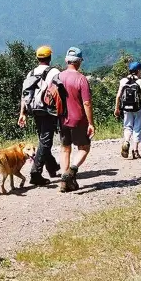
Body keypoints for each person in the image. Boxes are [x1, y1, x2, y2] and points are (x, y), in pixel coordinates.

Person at [18, 45, 62, 185]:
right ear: (50, 57)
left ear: (37, 58)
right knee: (46, 141)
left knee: (43, 140)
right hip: (48, 110)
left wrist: (22, 113)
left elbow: (24, 95)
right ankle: (35, 173)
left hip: (34, 110)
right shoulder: (54, 71)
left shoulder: (31, 73)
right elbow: (58, 91)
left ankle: (52, 167)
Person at [58, 47, 95, 192]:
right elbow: (87, 103)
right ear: (79, 62)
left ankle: (64, 181)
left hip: (62, 119)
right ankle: (71, 171)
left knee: (65, 148)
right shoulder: (81, 79)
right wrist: (91, 122)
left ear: (66, 60)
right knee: (84, 147)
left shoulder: (58, 77)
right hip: (78, 119)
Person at [115, 61, 141, 158]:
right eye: (140, 70)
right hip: (137, 108)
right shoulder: (140, 82)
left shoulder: (123, 81)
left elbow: (118, 96)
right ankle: (135, 150)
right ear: (137, 71)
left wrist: (117, 108)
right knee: (137, 127)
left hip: (126, 108)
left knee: (127, 126)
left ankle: (126, 142)